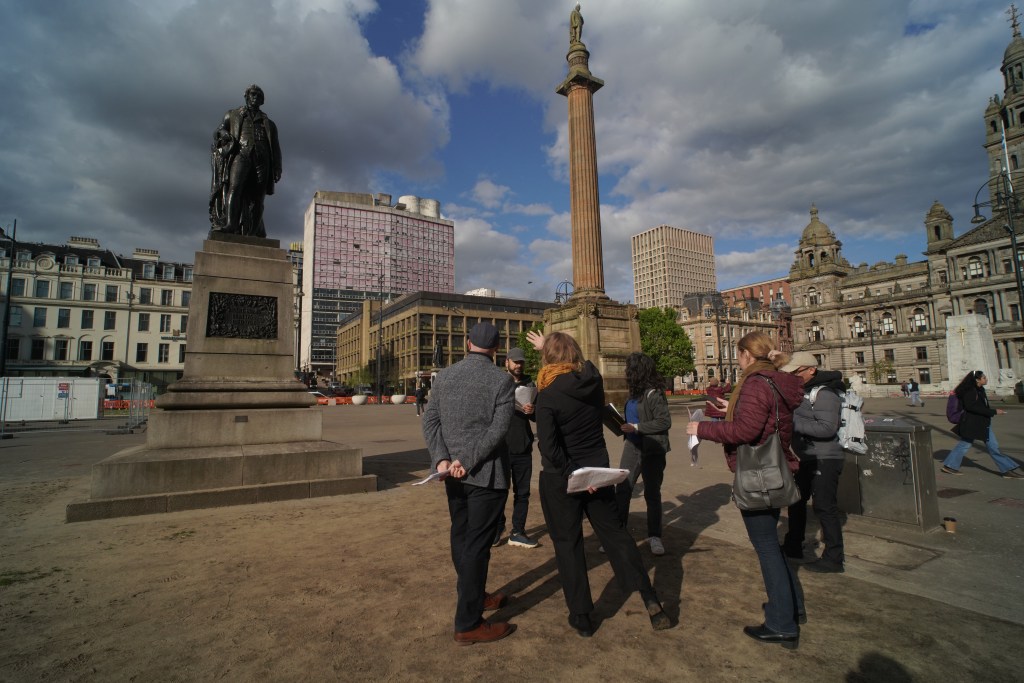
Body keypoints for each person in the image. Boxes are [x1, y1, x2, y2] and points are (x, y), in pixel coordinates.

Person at [528, 330, 672, 638]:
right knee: (617, 536)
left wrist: (573, 474)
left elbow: (549, 448)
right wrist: (589, 474)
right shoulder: (593, 383)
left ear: (548, 359)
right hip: (597, 470)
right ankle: (650, 598)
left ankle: (582, 615)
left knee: (569, 544)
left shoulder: (548, 394)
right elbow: (587, 363)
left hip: (562, 478)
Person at [685, 332, 806, 648]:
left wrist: (702, 429)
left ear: (746, 355)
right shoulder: (777, 380)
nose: (738, 361)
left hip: (758, 474)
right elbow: (762, 417)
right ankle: (792, 608)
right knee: (772, 545)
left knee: (766, 546)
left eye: (739, 355)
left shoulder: (755, 383)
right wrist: (728, 408)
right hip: (776, 469)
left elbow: (746, 430)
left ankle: (781, 623)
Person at [421, 322, 516, 645]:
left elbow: (430, 420)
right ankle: (468, 622)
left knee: (461, 535)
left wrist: (443, 459)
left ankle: (474, 595)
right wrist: (469, 460)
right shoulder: (502, 381)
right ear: (496, 349)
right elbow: (497, 430)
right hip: (487, 474)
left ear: (466, 343)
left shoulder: (445, 376)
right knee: (477, 545)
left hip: (451, 473)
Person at [780, 352, 847, 573]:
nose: (793, 377)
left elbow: (828, 428)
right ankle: (793, 546)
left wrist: (792, 422)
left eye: (796, 372)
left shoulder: (825, 393)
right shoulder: (805, 391)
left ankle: (834, 558)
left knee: (824, 506)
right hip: (808, 457)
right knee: (797, 500)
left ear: (811, 369)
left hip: (826, 457)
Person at [614, 352, 672, 556]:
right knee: (622, 489)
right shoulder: (633, 393)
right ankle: (618, 534)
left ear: (638, 371)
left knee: (652, 493)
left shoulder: (654, 393)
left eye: (629, 368)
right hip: (632, 446)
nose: (626, 372)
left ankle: (655, 536)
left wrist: (636, 426)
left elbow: (664, 421)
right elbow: (630, 417)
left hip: (652, 448)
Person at [210, 85, 282, 237]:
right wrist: (224, 134)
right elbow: (219, 130)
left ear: (262, 100)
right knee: (235, 188)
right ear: (247, 96)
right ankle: (231, 224)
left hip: (263, 159)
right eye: (253, 94)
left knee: (258, 197)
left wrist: (277, 167)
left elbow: (275, 147)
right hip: (241, 154)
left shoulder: (269, 123)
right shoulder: (233, 114)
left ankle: (253, 232)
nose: (255, 97)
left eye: (259, 95)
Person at [494, 347, 539, 549]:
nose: (519, 365)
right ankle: (497, 529)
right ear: (507, 362)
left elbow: (540, 417)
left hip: (522, 445)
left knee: (522, 493)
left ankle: (518, 531)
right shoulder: (498, 383)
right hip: (500, 447)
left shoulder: (531, 384)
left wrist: (533, 411)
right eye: (515, 362)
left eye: (521, 362)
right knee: (499, 491)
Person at [941, 370, 1024, 479]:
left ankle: (950, 466)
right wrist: (993, 412)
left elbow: (982, 406)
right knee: (986, 447)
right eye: (984, 377)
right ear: (977, 379)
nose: (986, 379)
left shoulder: (980, 389)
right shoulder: (971, 391)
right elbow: (971, 407)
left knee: (969, 445)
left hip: (981, 422)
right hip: (974, 423)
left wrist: (991, 412)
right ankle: (1007, 470)